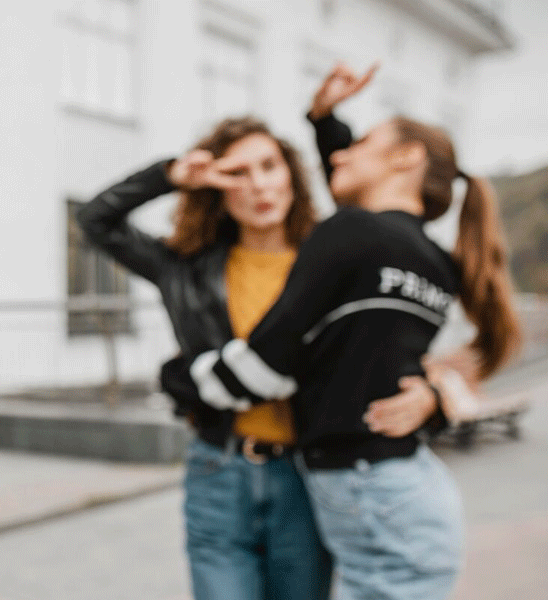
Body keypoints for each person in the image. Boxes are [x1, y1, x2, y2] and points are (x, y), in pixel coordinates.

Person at [179, 62, 522, 600]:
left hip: (366, 482)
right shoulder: (438, 262)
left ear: (406, 158)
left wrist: (186, 378)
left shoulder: (352, 233)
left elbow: (268, 360)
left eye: (359, 142)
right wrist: (324, 120)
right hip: (406, 484)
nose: (339, 154)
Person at [77, 117, 441, 600]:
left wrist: (433, 396)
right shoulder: (185, 267)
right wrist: (170, 176)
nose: (259, 185)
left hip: (307, 480)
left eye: (269, 166)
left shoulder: (336, 257)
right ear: (217, 190)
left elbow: (391, 342)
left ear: (291, 173)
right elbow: (94, 221)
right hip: (218, 472)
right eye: (239, 174)